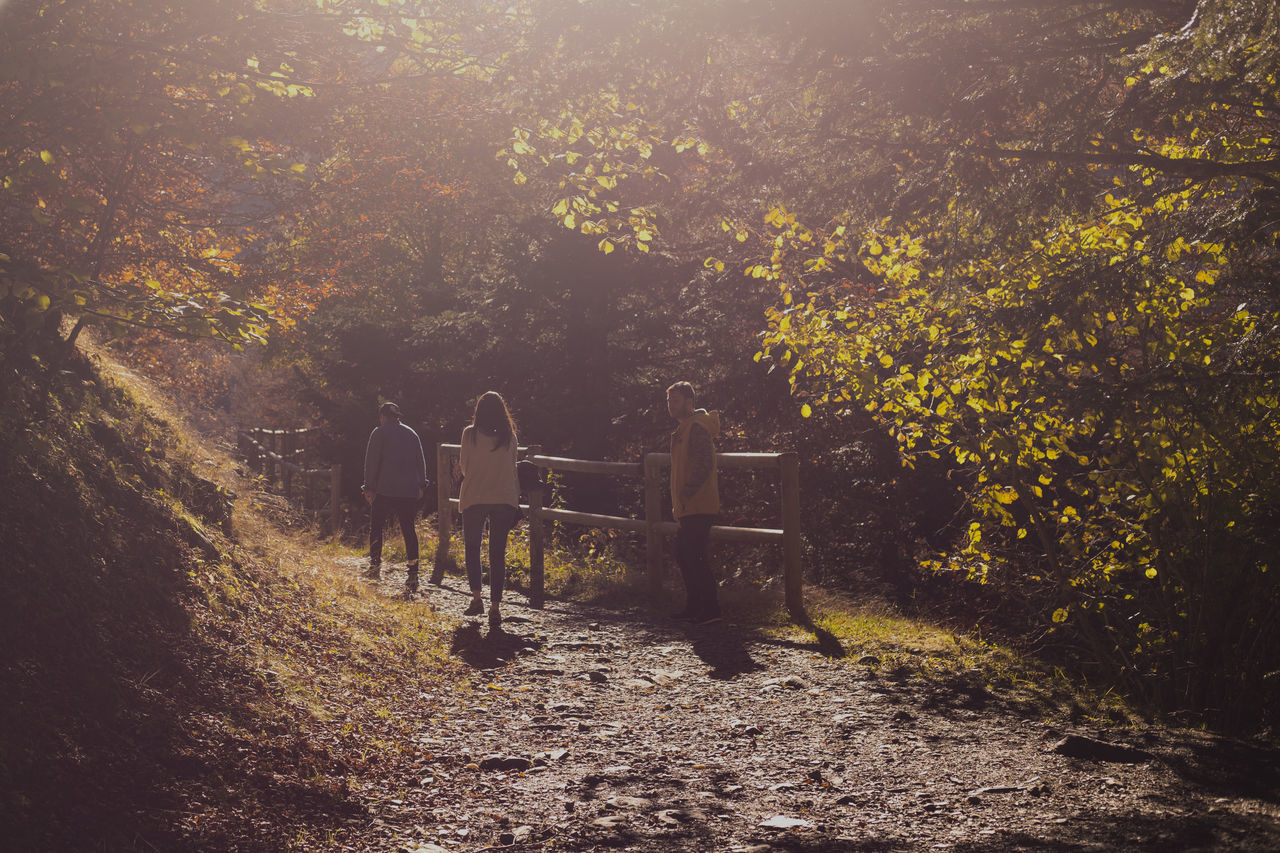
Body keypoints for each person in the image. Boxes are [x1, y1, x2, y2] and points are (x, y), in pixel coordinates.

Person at [459, 391, 521, 628]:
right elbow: (513, 468)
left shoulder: (469, 435)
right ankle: (496, 607)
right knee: (497, 554)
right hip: (504, 498)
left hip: (475, 495)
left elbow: (464, 466)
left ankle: (477, 599)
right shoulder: (510, 437)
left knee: (473, 548)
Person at [667, 381, 722, 625]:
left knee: (694, 554)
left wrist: (686, 494)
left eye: (675, 400)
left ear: (690, 403)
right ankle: (695, 606)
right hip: (690, 506)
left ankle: (710, 609)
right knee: (685, 553)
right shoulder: (685, 428)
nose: (671, 406)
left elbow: (704, 463)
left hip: (699, 504)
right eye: (669, 401)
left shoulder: (697, 428)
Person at [362, 401, 428, 593]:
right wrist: (421, 484)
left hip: (384, 489)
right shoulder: (411, 433)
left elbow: (371, 462)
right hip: (408, 490)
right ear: (397, 416)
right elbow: (420, 460)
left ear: (383, 416)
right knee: (408, 529)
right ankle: (413, 571)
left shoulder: (379, 433)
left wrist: (369, 487)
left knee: (377, 527)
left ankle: (375, 566)